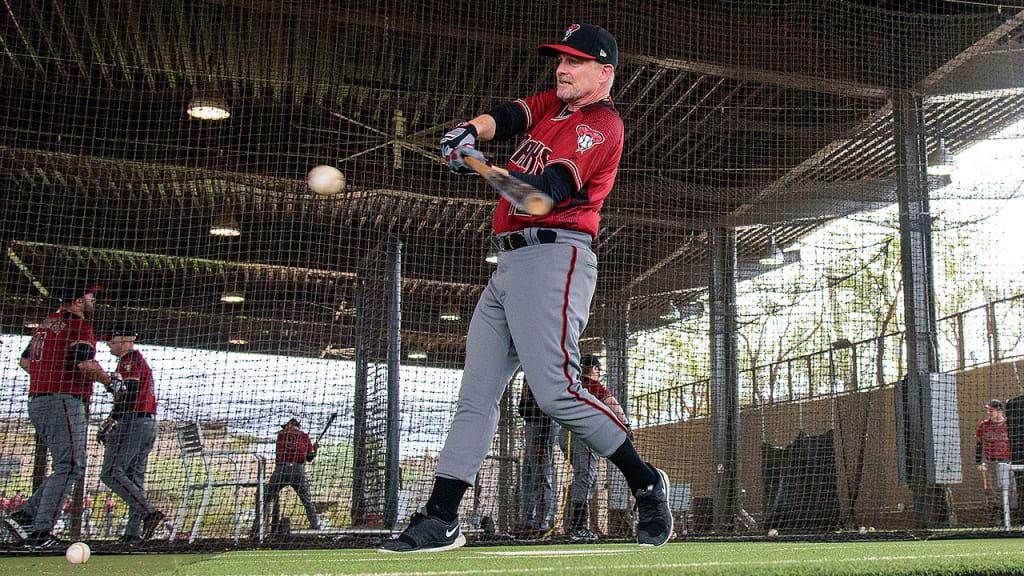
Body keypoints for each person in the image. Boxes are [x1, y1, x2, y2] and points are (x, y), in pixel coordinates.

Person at [380, 23, 672, 554]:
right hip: (509, 264)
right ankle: (441, 518)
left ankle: (645, 481)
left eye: (575, 61)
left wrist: (477, 163)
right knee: (476, 396)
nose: (562, 68)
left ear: (604, 72)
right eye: (560, 59)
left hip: (554, 256)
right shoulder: (555, 106)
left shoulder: (600, 124)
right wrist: (468, 130)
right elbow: (511, 115)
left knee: (556, 393)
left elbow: (540, 199)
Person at [5, 282, 120, 550]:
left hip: (39, 401)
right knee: (70, 465)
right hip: (63, 401)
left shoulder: (48, 324)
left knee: (67, 465)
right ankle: (40, 532)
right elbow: (84, 363)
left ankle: (25, 517)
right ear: (78, 301)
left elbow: (25, 362)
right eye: (90, 296)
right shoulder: (78, 325)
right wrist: (109, 381)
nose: (93, 300)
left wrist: (49, 377)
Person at [98, 326, 165, 543]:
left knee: (110, 472)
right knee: (135, 478)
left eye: (111, 339)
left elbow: (130, 393)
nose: (108, 344)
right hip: (147, 423)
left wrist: (113, 418)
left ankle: (149, 512)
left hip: (133, 421)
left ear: (124, 340)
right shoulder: (137, 361)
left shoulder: (129, 361)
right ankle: (132, 533)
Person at [557, 355, 630, 542]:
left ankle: (573, 524)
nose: (598, 373)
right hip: (581, 436)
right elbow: (611, 403)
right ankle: (578, 527)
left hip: (565, 435)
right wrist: (626, 424)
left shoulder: (571, 384)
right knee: (586, 477)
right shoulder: (589, 384)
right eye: (597, 369)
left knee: (583, 477)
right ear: (593, 369)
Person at [256, 418, 319, 536]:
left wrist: (312, 451)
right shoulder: (304, 436)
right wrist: (314, 450)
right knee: (307, 501)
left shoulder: (281, 435)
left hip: (281, 470)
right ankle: (315, 526)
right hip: (298, 470)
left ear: (290, 424)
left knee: (265, 497)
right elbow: (309, 457)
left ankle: (257, 527)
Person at [516, 377, 559, 538]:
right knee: (529, 475)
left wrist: (541, 440)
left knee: (541, 474)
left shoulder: (542, 371)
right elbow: (524, 406)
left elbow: (548, 406)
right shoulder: (528, 374)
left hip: (542, 424)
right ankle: (528, 521)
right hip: (531, 423)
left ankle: (542, 523)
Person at [976, 399, 1017, 525]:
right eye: (988, 411)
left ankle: (1011, 516)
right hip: (991, 462)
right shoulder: (984, 425)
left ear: (1000, 411)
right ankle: (996, 517)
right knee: (993, 491)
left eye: (991, 411)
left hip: (1006, 461)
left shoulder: (1009, 425)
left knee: (1009, 489)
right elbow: (979, 444)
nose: (989, 413)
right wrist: (978, 462)